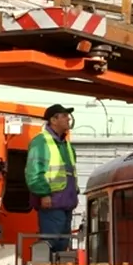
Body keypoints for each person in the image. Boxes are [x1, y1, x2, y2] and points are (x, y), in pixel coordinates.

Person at [25, 104, 80, 253]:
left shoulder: (65, 144)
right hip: (52, 202)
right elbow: (34, 172)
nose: (68, 118)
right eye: (64, 115)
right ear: (53, 120)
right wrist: (44, 194)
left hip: (65, 202)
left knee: (61, 244)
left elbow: (70, 172)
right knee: (51, 241)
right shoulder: (41, 142)